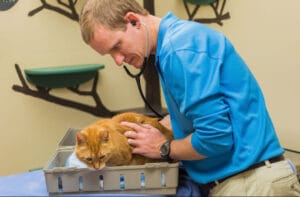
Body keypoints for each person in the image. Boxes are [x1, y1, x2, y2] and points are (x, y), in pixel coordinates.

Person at [79, 0, 300, 196]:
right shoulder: (176, 43)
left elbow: (215, 138)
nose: (118, 60)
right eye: (109, 55)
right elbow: (206, 114)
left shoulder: (178, 51)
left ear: (134, 21)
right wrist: (162, 124)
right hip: (246, 180)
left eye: (116, 46)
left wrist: (163, 147)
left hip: (251, 185)